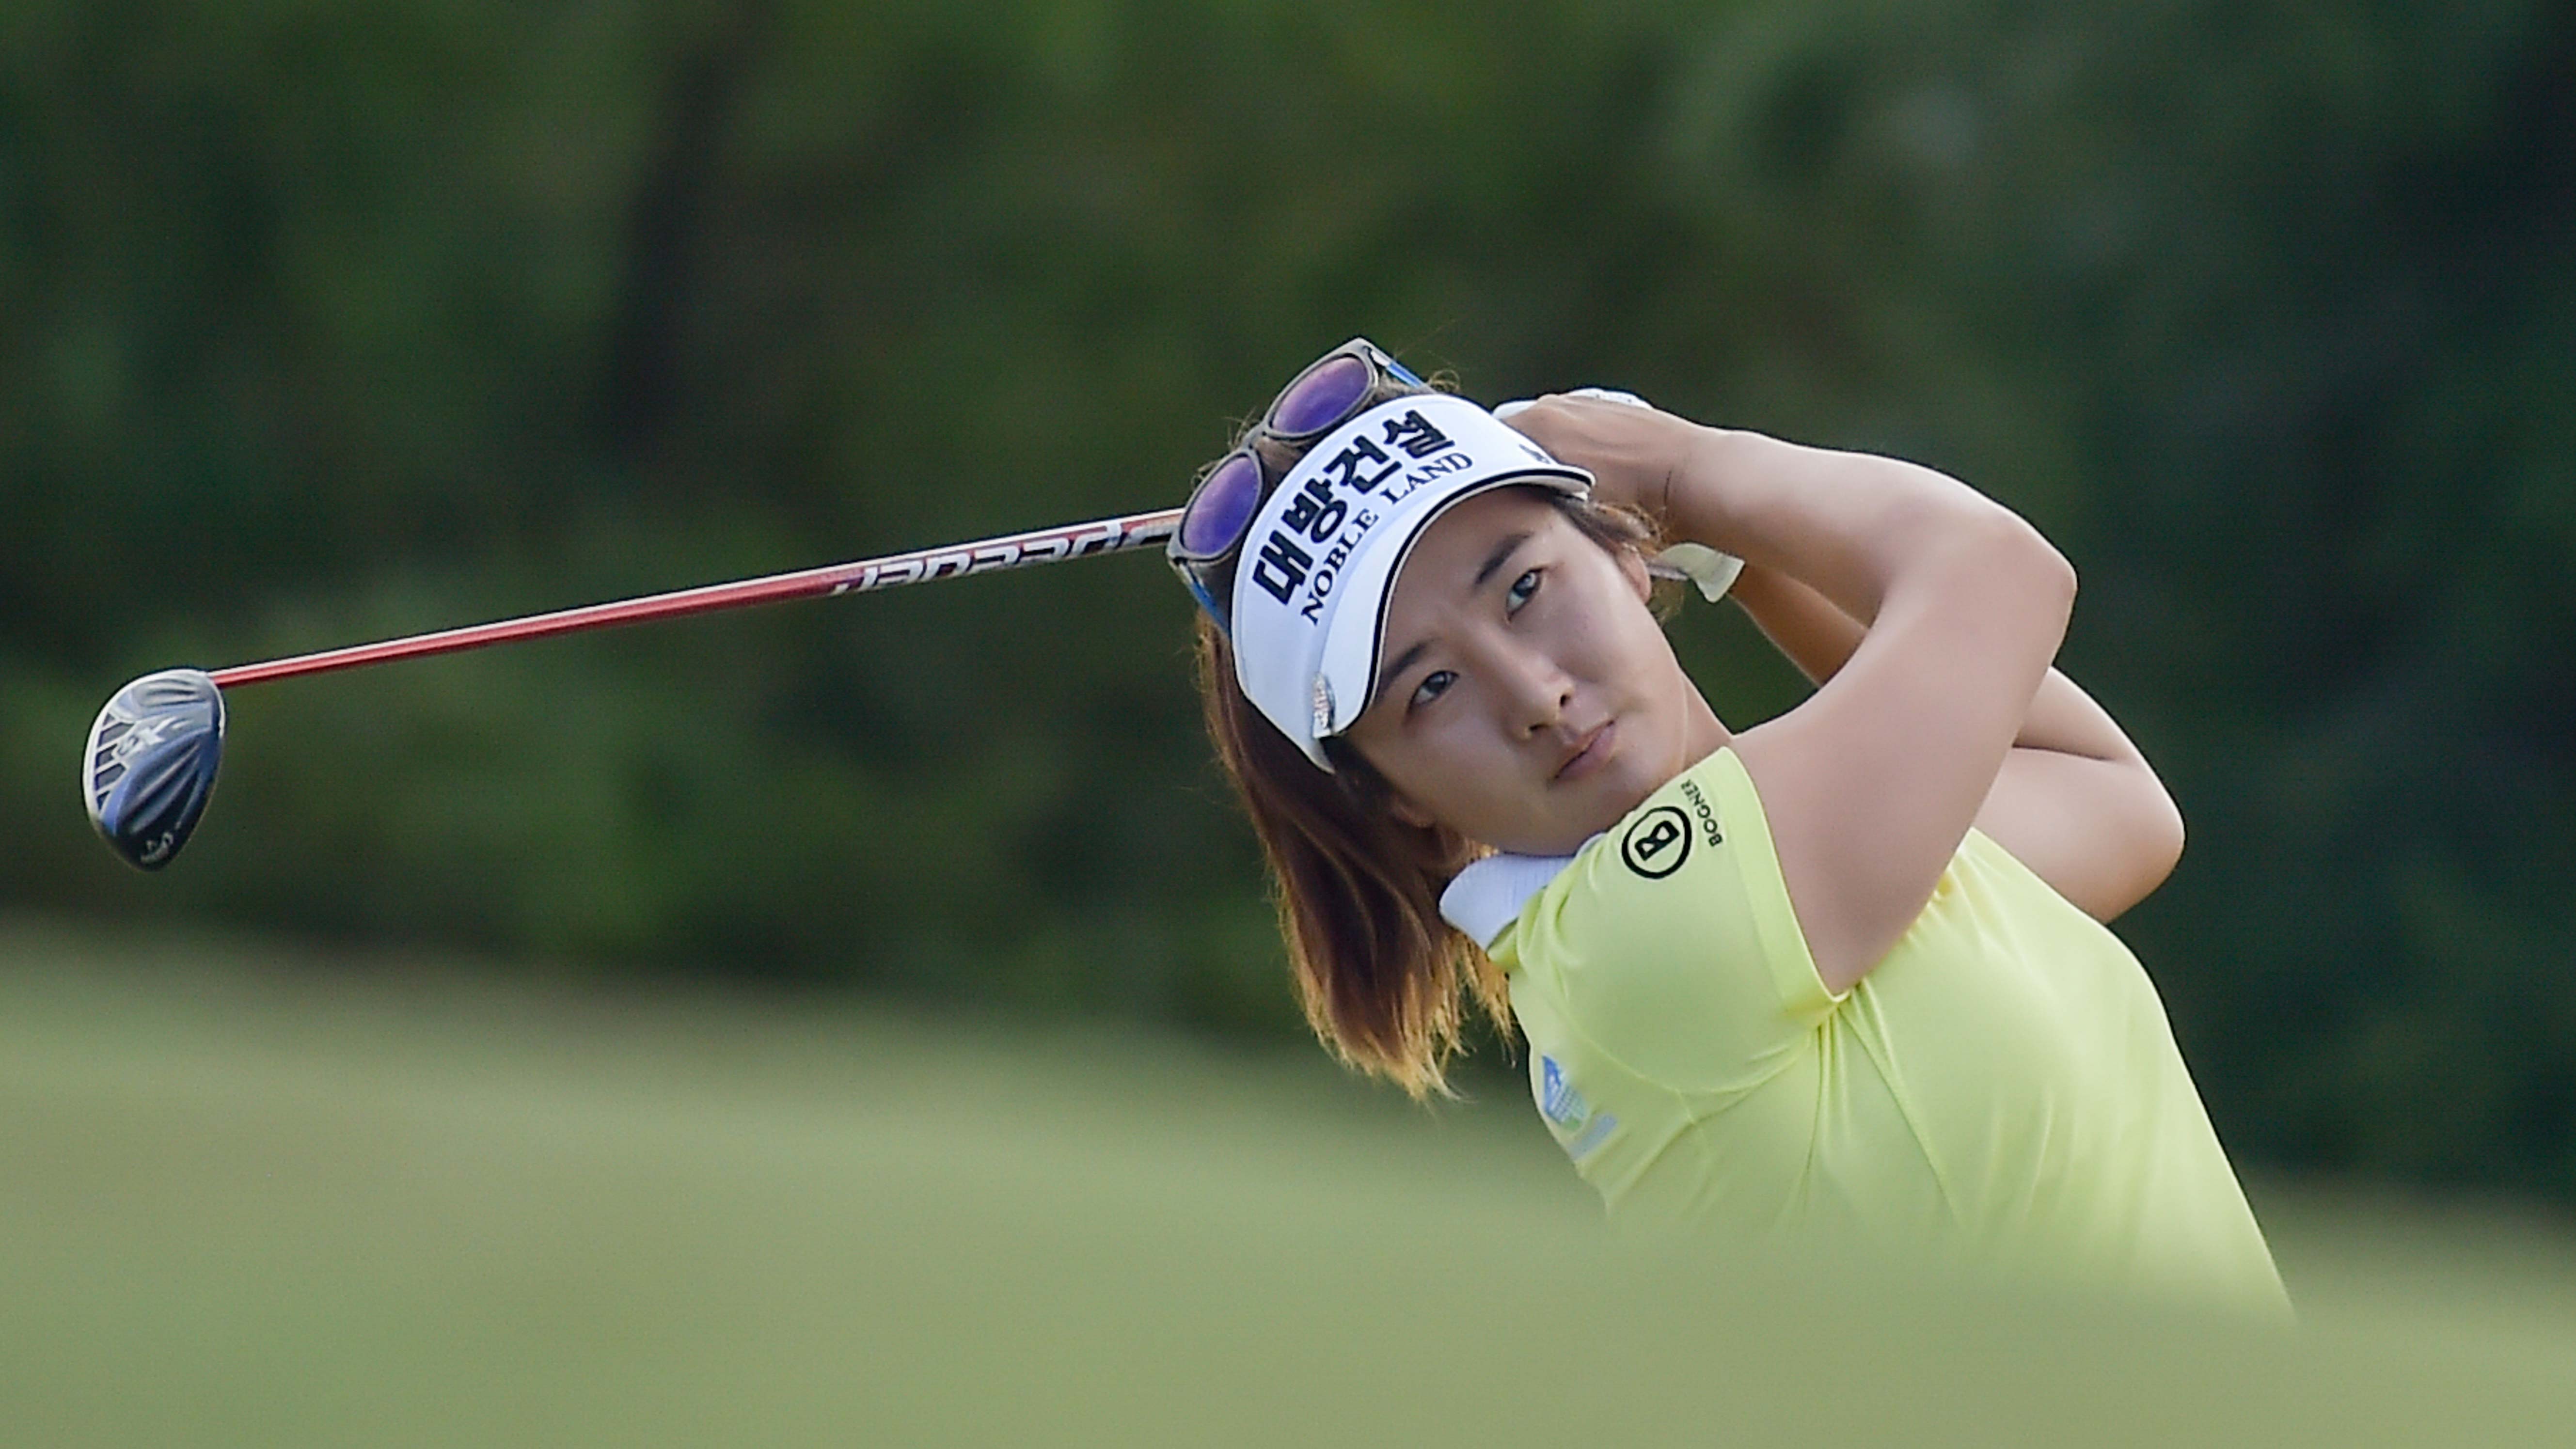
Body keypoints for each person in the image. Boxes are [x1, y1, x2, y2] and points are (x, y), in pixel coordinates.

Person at [1167, 338, 2288, 1315]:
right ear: (1400, 799)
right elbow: (2001, 574)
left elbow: (2107, 797)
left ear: (1624, 556)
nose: (1531, 693)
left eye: (1522, 589)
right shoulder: (1648, 936)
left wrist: (1741, 558)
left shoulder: (1795, 881)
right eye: (1429, 691)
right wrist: (1680, 465)